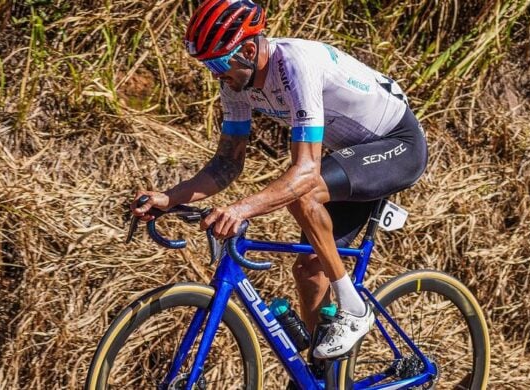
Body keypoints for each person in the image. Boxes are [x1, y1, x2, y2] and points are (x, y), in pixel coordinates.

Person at [131, 0, 427, 360]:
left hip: (397, 144)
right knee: (307, 269)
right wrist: (170, 197)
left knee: (304, 194)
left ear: (250, 48)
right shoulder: (235, 85)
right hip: (347, 157)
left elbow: (304, 173)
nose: (214, 73)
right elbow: (226, 164)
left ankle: (355, 309)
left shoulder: (295, 64)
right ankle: (322, 376)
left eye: (218, 62)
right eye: (207, 64)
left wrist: (241, 210)